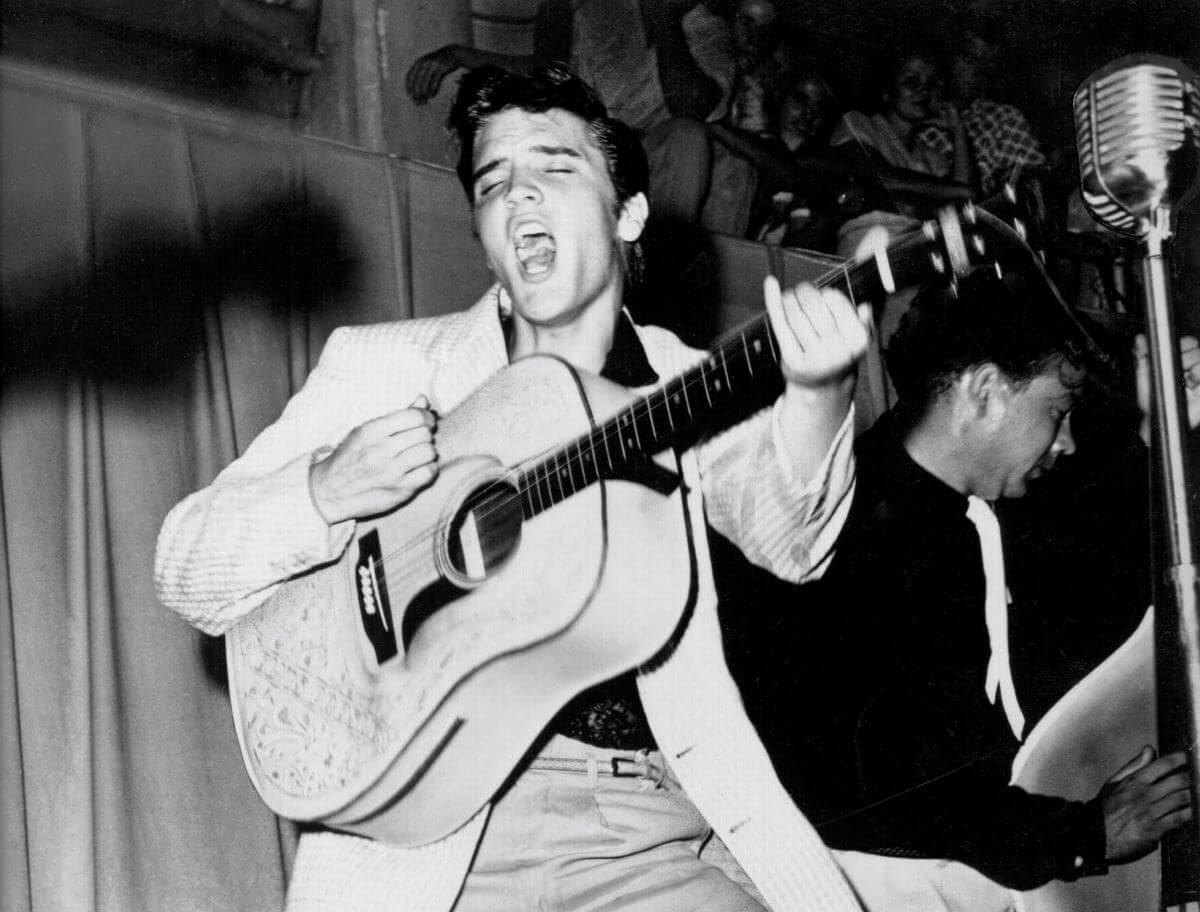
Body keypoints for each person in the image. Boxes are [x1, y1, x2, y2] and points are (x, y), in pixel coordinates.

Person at [155, 64, 875, 912]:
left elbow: (793, 546)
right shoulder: (388, 366)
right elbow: (185, 566)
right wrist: (324, 490)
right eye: (494, 182)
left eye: (555, 169)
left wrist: (822, 392)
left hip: (640, 831)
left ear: (629, 212)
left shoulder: (683, 383)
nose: (519, 197)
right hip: (434, 836)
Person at [726, 270, 1193, 910]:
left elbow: (1094, 546)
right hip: (871, 883)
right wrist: (1084, 836)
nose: (1067, 440)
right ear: (984, 392)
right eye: (1057, 411)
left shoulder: (954, 494)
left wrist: (1160, 427)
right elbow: (892, 798)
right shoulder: (859, 540)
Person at [404, 0, 741, 230]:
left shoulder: (702, 23)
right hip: (593, 151)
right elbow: (545, 71)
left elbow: (692, 107)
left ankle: (656, 275)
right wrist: (457, 55)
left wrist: (662, 16)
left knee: (688, 137)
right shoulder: (582, 8)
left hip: (660, 165)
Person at [917, 22, 1047, 200]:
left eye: (988, 65)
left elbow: (1037, 185)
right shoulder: (911, 119)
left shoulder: (1004, 119)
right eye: (970, 59)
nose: (978, 71)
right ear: (949, 56)